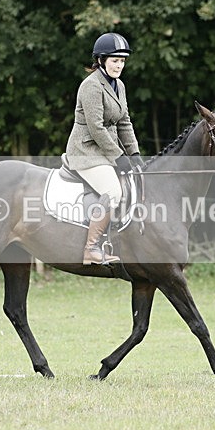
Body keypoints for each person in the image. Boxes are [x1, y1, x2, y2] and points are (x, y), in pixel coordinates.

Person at [64, 32, 144, 265]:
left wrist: (135, 154)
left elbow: (124, 121)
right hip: (86, 151)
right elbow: (96, 128)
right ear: (100, 60)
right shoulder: (91, 86)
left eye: (122, 61)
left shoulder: (119, 85)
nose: (119, 65)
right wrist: (119, 156)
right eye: (114, 60)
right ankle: (91, 248)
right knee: (113, 192)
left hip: (105, 151)